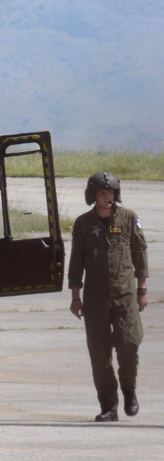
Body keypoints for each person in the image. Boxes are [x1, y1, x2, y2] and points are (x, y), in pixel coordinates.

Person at [68, 172, 148, 422]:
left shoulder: (129, 218)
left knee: (128, 345)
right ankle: (109, 406)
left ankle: (129, 390)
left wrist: (142, 289)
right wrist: (75, 296)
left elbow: (140, 252)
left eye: (111, 192)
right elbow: (76, 261)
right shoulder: (83, 224)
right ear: (93, 196)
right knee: (99, 354)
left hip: (125, 295)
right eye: (103, 192)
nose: (107, 196)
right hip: (94, 298)